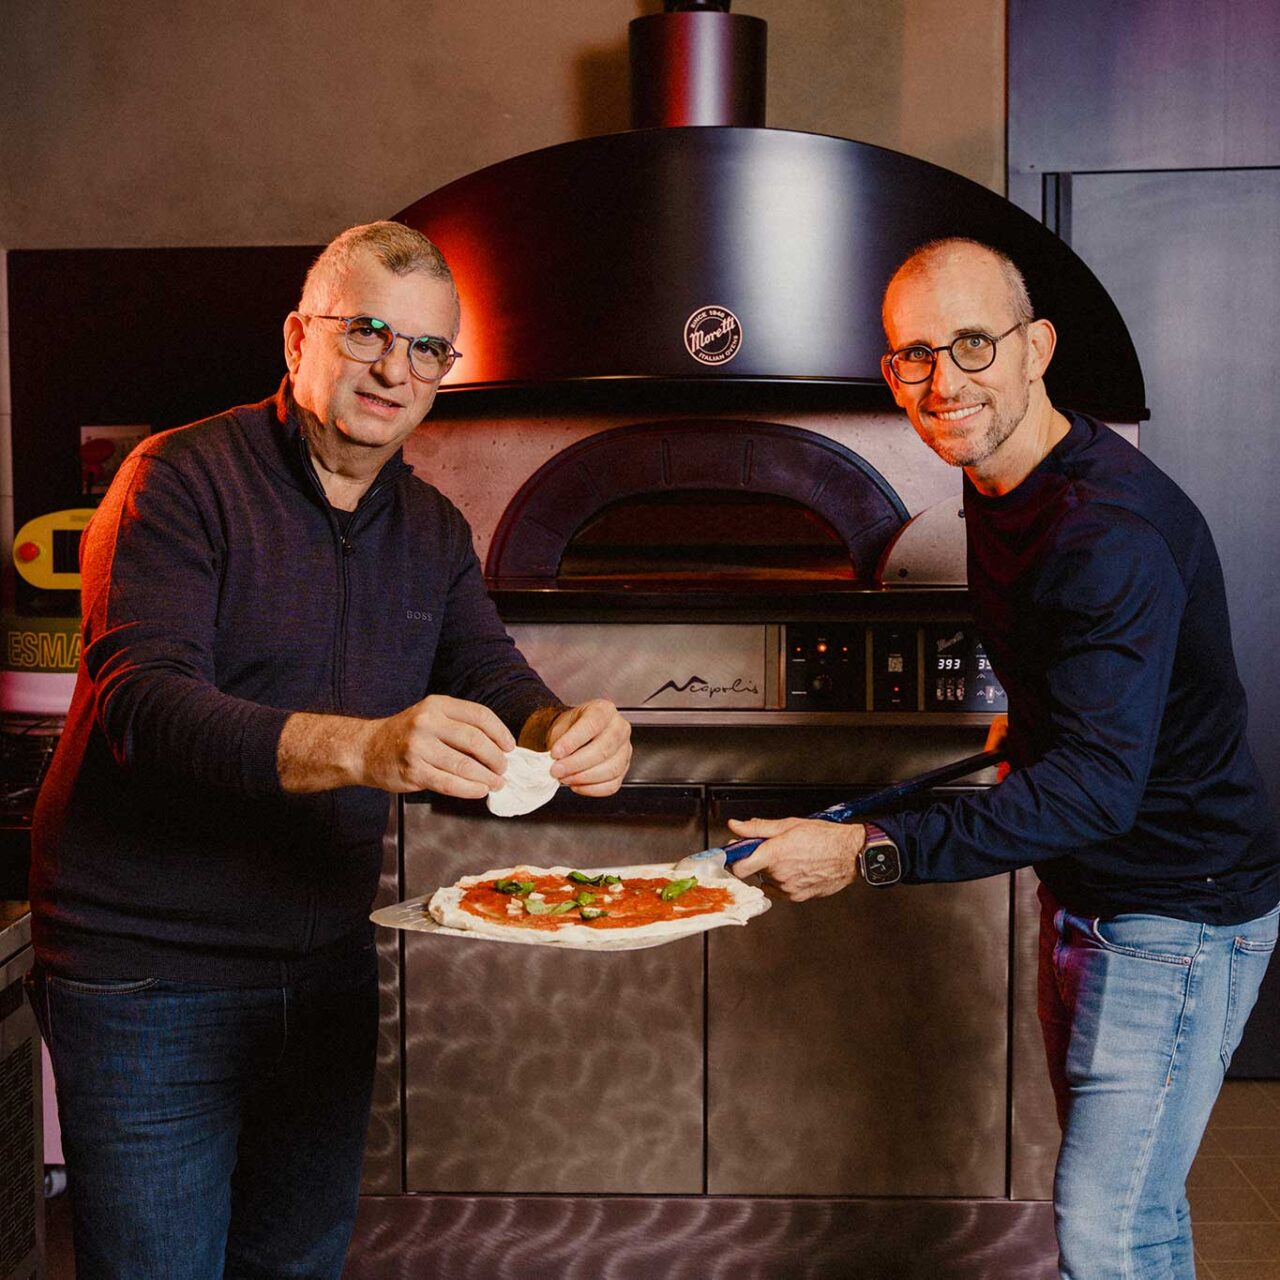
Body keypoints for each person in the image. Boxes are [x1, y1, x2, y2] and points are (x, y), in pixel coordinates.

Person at [27, 220, 632, 1280]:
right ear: (299, 335)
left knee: (295, 1265)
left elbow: (487, 670)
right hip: (149, 979)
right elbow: (144, 705)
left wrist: (563, 728)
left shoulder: (432, 528)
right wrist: (363, 748)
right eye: (367, 332)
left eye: (426, 350)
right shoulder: (176, 479)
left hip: (321, 968)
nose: (394, 369)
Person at [727, 237, 1280, 1279]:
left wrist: (864, 851)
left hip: (1173, 910)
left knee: (1106, 1231)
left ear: (1035, 347)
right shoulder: (1000, 477)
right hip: (1099, 893)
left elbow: (1094, 789)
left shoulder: (1103, 528)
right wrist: (1034, 722)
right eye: (912, 355)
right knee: (1136, 1213)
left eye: (972, 344)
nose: (943, 383)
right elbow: (1087, 712)